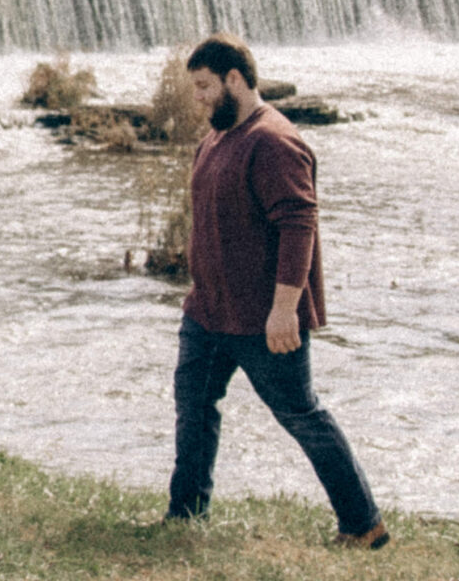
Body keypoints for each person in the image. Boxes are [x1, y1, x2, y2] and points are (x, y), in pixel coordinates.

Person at [166, 33, 387, 545]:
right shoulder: (218, 137)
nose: (196, 97)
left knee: (301, 415)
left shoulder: (274, 141)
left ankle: (363, 525)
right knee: (193, 406)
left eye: (204, 86)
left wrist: (285, 309)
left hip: (263, 318)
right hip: (208, 314)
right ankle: (185, 516)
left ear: (235, 80)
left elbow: (298, 223)